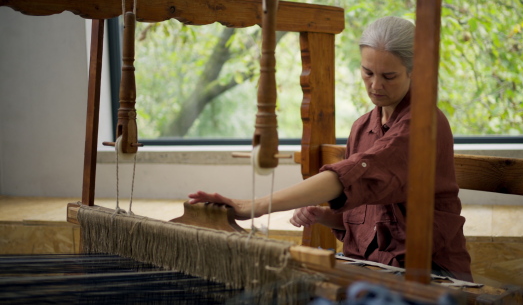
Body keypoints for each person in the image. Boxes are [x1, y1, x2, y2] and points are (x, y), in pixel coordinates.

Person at [189, 16, 472, 281]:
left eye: (389, 76)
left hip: (429, 272)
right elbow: (367, 211)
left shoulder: (424, 124)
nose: (375, 85)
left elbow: (354, 175)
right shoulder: (363, 127)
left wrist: (254, 206)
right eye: (367, 72)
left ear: (415, 72)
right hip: (372, 265)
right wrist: (328, 218)